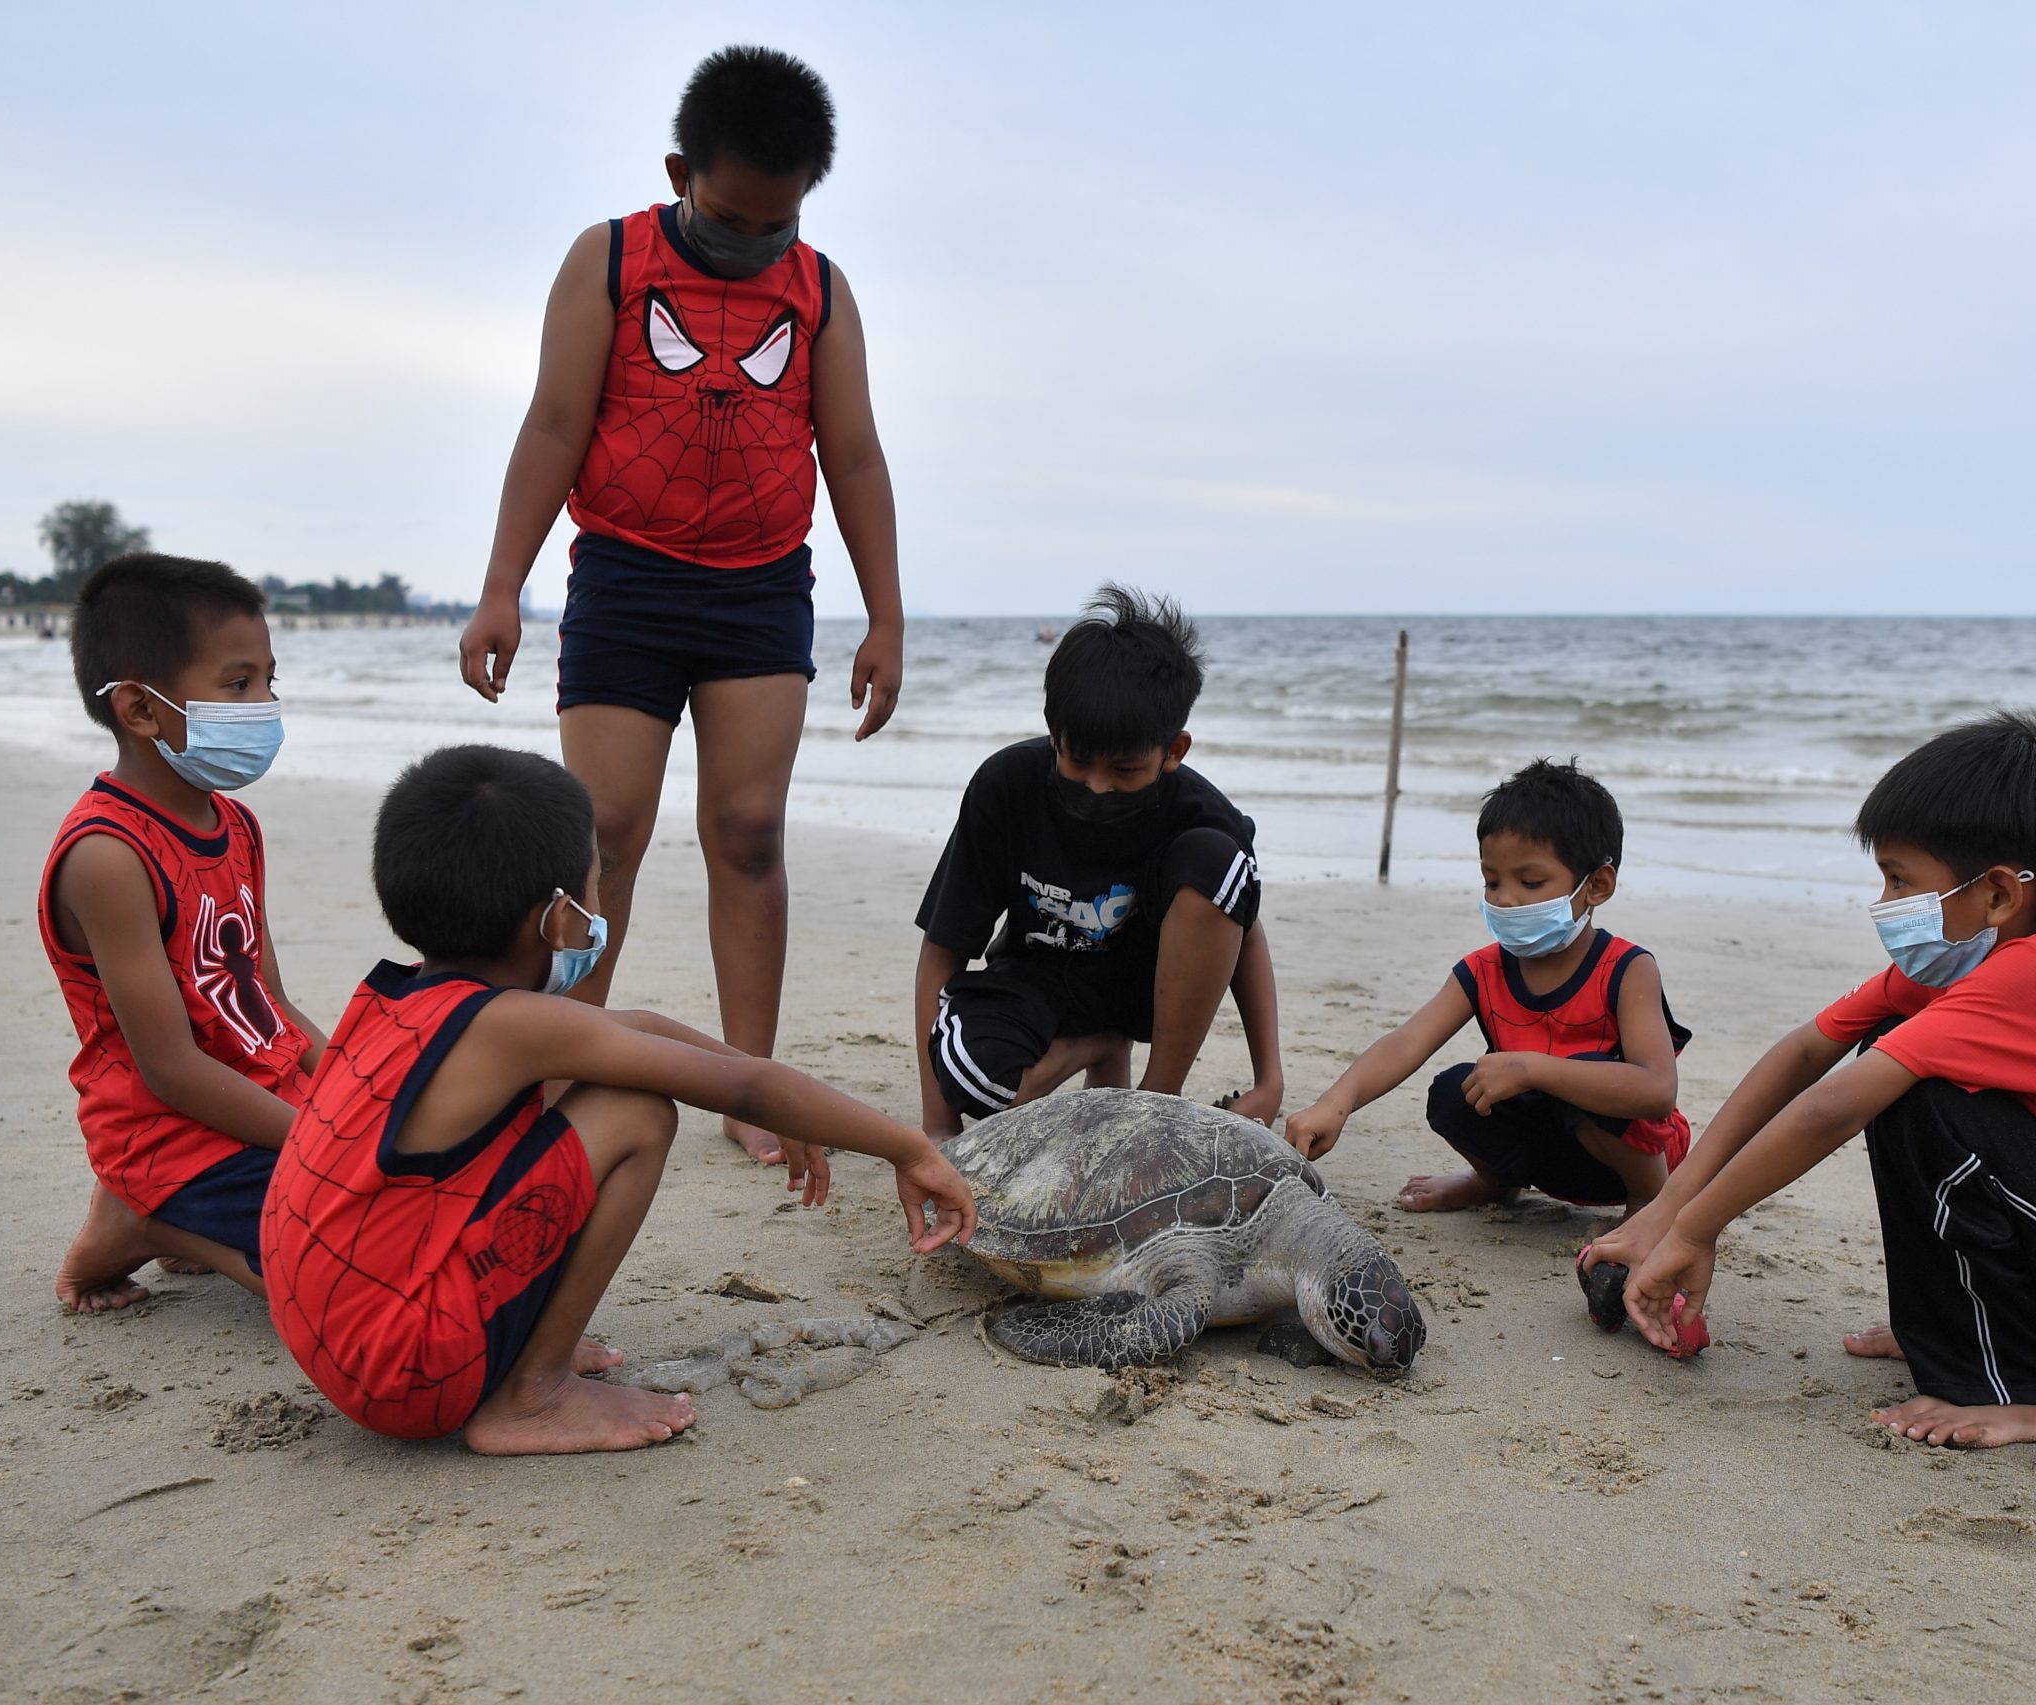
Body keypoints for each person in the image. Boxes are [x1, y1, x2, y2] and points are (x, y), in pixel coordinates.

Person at [260, 745, 975, 1456]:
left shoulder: (402, 997)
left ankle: (516, 1353)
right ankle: (532, 1395)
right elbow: (747, 1087)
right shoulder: (508, 1027)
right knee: (635, 1114)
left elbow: (641, 1031)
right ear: (557, 918)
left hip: (334, 1329)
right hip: (404, 1371)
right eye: (597, 882)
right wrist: (906, 1146)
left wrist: (780, 1106)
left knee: (615, 1079)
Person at [455, 45, 903, 1168]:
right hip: (625, 582)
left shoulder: (820, 289)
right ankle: (570, 1057)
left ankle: (749, 1087)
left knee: (747, 833)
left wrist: (885, 617)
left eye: (777, 222)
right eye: (727, 218)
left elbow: (849, 453)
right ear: (677, 172)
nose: (752, 242)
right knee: (601, 833)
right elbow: (555, 424)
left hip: (760, 589)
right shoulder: (608, 260)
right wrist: (501, 585)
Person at [1584, 713, 2036, 1449]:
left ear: (2000, 895)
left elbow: (1830, 1108)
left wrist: (1694, 1228)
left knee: (1919, 1093)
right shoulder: (1992, 962)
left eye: (1901, 879)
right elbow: (1806, 1054)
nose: (1884, 899)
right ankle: (1962, 1332)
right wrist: (1668, 1208)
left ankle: (2035, 1390)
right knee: (1897, 1057)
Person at [38, 554, 325, 1312]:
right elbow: (169, 1068)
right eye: (238, 685)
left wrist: (353, 1090)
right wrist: (322, 1141)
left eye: (270, 680)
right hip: (173, 1134)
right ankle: (143, 1216)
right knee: (358, 1266)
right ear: (139, 708)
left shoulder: (235, 824)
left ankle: (174, 1219)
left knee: (439, 1155)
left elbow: (273, 1008)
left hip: (257, 1103)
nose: (264, 704)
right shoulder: (109, 856)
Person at [914, 586, 1282, 1135]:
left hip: (1149, 987)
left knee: (1219, 861)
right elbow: (942, 951)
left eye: (1126, 771)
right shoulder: (1006, 786)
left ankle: (1156, 1102)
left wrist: (1268, 1081)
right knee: (976, 1084)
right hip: (1037, 979)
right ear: (1052, 727)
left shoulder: (1202, 815)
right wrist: (938, 1125)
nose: (1097, 786)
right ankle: (1099, 1047)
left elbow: (1243, 930)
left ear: (1174, 752)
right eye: (1078, 761)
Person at [1284, 760, 1692, 1217]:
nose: (1504, 899)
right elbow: (1407, 1042)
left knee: (1590, 1082)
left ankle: (1651, 1207)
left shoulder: (1626, 968)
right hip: (1548, 1153)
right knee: (1453, 1091)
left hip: (1627, 1162)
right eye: (1492, 881)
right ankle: (1495, 1183)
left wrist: (1533, 1069)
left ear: (1596, 884)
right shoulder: (1484, 970)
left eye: (1530, 882)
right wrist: (1334, 1104)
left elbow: (1656, 1090)